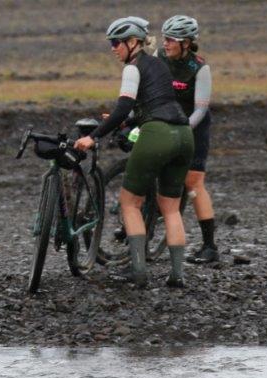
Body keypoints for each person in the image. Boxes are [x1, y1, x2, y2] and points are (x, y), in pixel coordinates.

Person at [75, 17, 194, 288]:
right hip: (184, 135)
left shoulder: (132, 68)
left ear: (132, 42)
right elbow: (155, 102)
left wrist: (93, 137)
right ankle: (177, 275)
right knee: (171, 208)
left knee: (130, 203)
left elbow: (123, 106)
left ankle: (138, 271)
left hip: (158, 134)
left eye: (116, 43)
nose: (113, 48)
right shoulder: (159, 64)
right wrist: (127, 121)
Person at [159, 15, 218, 264]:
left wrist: (183, 129)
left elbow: (200, 109)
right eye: (164, 38)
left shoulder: (200, 68)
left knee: (193, 182)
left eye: (171, 39)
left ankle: (209, 246)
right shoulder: (159, 58)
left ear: (186, 43)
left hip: (193, 126)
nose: (165, 43)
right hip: (164, 120)